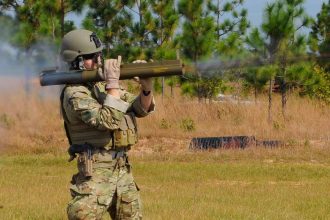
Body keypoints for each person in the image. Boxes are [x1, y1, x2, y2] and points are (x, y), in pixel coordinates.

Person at [60, 29, 154, 220]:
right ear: (75, 60)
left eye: (99, 55)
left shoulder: (102, 87)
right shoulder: (74, 94)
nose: (98, 61)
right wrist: (112, 84)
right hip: (95, 173)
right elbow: (108, 120)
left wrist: (146, 88)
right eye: (91, 57)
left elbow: (140, 109)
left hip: (121, 169)